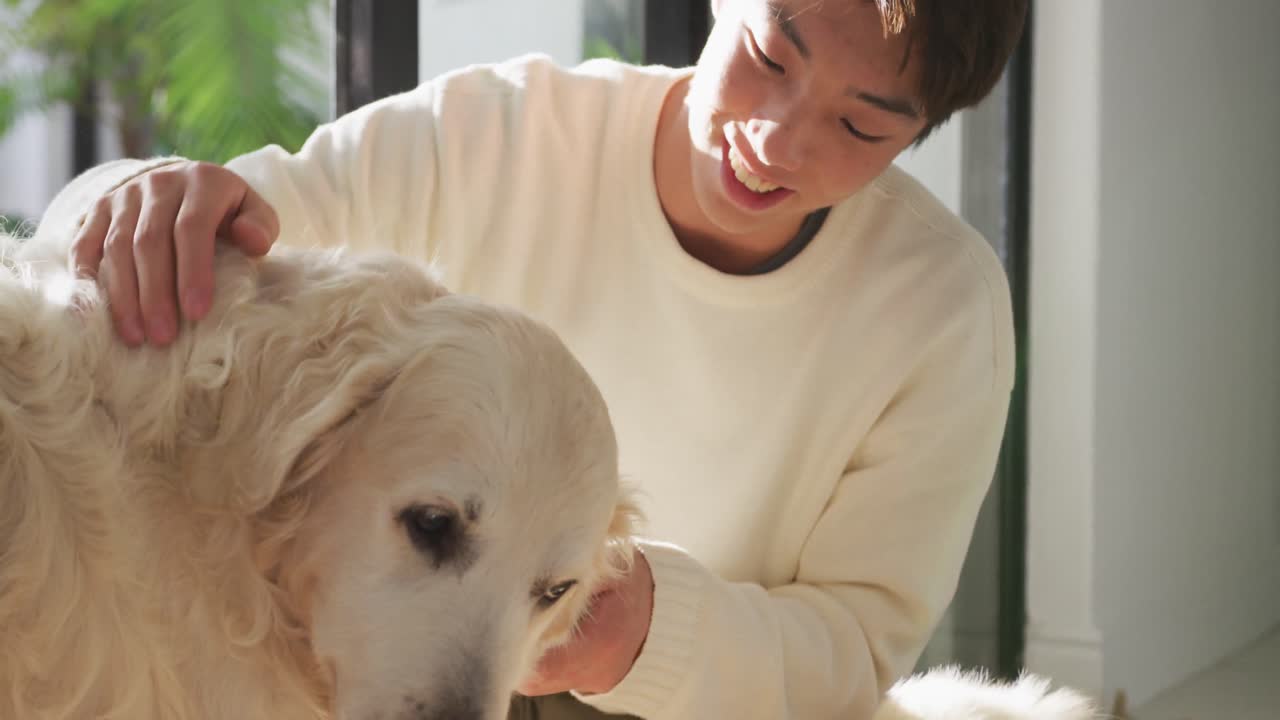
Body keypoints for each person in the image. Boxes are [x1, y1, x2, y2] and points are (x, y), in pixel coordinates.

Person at [46, 0, 1028, 717]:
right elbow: (196, 240)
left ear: (916, 135)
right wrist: (139, 199)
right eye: (769, 53)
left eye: (858, 124)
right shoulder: (494, 130)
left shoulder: (942, 312)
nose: (775, 139)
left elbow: (856, 652)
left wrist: (645, 639)